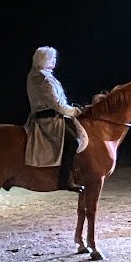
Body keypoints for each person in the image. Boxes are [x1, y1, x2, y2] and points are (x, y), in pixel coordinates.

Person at [24, 46, 85, 193]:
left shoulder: (42, 75)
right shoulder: (43, 78)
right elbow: (57, 104)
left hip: (53, 115)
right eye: (52, 58)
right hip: (48, 120)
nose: (55, 60)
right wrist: (76, 111)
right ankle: (65, 180)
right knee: (73, 142)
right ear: (43, 60)